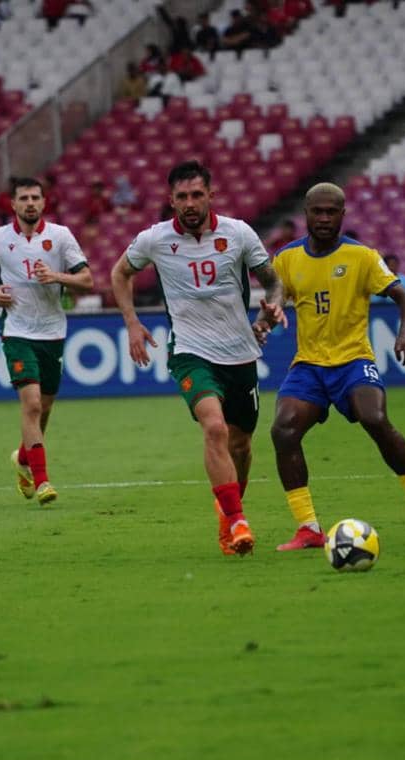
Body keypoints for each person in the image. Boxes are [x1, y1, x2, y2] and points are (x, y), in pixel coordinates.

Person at [110, 160, 287, 556]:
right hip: (190, 352)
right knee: (214, 429)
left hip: (240, 353)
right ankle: (238, 520)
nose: (189, 203)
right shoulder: (155, 239)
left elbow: (274, 283)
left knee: (240, 445)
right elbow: (119, 273)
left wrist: (273, 306)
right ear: (170, 200)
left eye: (196, 195)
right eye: (181, 197)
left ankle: (228, 511)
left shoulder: (238, 233)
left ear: (211, 195)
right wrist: (132, 323)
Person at [269, 182, 405, 550]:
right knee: (283, 430)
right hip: (309, 365)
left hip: (353, 360)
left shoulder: (362, 256)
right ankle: (308, 528)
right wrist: (267, 315)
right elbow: (274, 297)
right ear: (306, 214)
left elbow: (403, 296)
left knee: (375, 418)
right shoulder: (286, 258)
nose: (326, 218)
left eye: (333, 211)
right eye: (319, 211)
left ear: (343, 215)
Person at [0, 176, 95, 506]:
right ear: (12, 204)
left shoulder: (60, 236)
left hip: (53, 331)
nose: (30, 203)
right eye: (23, 198)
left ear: (43, 202)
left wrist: (56, 276)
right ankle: (42, 482)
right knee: (33, 404)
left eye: (35, 197)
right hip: (17, 331)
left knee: (45, 408)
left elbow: (87, 280)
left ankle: (23, 460)